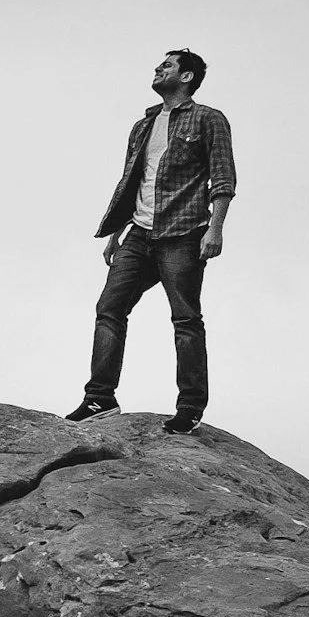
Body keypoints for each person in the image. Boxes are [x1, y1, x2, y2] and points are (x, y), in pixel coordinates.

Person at [66, 49, 236, 435]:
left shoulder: (208, 119)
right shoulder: (143, 126)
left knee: (186, 319)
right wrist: (115, 234)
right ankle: (100, 399)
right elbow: (132, 183)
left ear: (188, 77)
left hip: (184, 231)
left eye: (168, 65)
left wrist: (216, 229)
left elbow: (223, 178)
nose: (158, 69)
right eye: (159, 65)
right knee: (109, 307)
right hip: (139, 235)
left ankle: (190, 405)